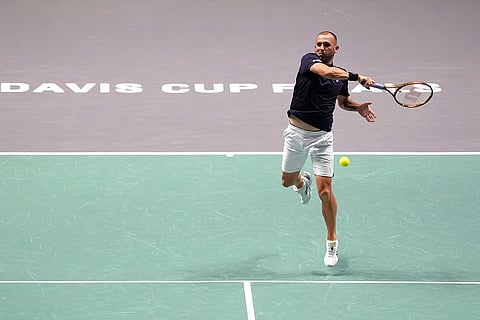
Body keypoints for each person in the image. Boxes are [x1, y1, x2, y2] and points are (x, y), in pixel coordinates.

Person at [281, 31, 376, 267]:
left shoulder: (340, 77)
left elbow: (343, 103)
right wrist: (358, 76)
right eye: (318, 44)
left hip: (322, 138)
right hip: (296, 134)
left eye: (326, 45)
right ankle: (302, 183)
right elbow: (326, 71)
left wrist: (358, 108)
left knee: (325, 192)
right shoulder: (309, 61)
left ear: (336, 48)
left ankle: (332, 242)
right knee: (286, 181)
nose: (321, 47)